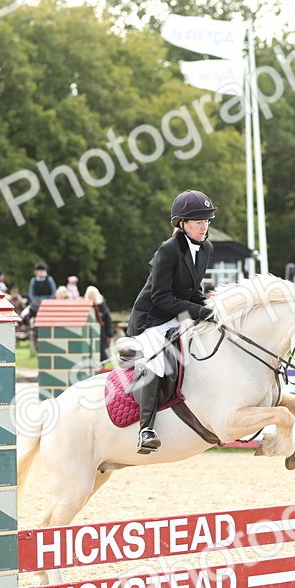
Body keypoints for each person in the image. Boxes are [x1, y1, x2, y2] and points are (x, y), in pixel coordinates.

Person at [127, 190, 217, 454]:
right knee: (157, 359)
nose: (205, 226)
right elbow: (161, 296)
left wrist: (211, 308)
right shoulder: (167, 251)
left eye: (207, 221)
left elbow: (193, 290)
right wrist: (197, 311)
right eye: (199, 221)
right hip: (152, 318)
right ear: (182, 223)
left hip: (176, 316)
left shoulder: (206, 247)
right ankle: (146, 429)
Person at [85, 285, 115, 363]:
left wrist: (110, 335)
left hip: (102, 333)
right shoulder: (85, 306)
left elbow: (108, 321)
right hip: (89, 332)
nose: (92, 296)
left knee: (103, 352)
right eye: (90, 295)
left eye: (93, 295)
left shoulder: (102, 306)